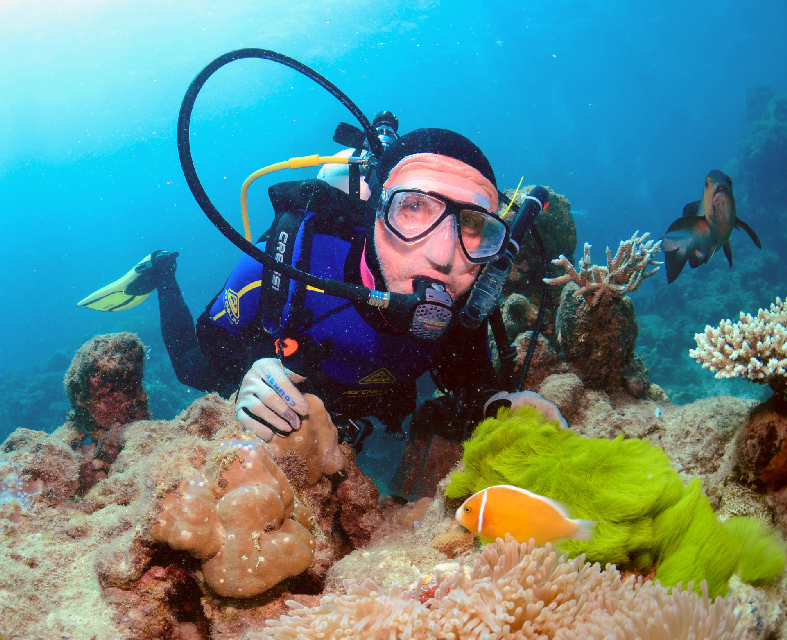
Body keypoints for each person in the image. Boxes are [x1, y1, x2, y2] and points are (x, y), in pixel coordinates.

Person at [78, 128, 565, 488]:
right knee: (190, 369)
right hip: (294, 372)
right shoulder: (293, 261)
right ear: (375, 210)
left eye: (474, 225)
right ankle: (162, 272)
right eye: (413, 207)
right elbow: (211, 341)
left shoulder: (468, 285)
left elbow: (466, 378)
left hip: (369, 403)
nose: (443, 254)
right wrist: (244, 381)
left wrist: (499, 406)